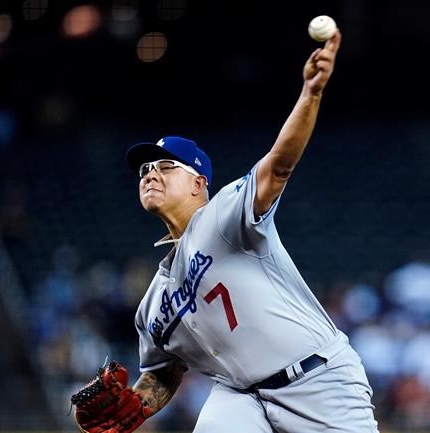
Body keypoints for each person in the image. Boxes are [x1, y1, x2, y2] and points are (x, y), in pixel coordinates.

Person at [123, 29, 379, 432]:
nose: (151, 173)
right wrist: (130, 408)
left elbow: (278, 165)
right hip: (241, 396)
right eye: (145, 169)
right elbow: (164, 371)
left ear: (198, 183)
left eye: (166, 166)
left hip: (316, 380)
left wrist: (310, 94)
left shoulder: (224, 217)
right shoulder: (152, 305)